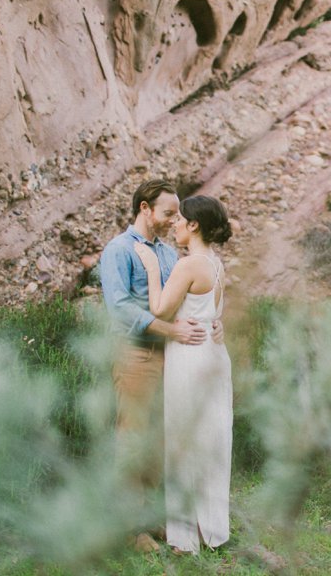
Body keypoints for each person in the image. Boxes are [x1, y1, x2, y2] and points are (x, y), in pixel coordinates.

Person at [99, 179, 223, 553]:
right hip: (136, 355)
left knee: (159, 439)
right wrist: (172, 330)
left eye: (177, 215)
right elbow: (120, 308)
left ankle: (151, 519)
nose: (173, 220)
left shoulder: (168, 255)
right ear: (144, 208)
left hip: (172, 357)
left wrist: (210, 321)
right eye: (168, 213)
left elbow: (179, 299)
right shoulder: (118, 250)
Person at [133, 195, 233, 554]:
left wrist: (149, 268)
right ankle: (211, 528)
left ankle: (185, 537)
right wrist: (216, 325)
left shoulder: (188, 265)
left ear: (194, 225)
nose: (174, 223)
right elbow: (212, 311)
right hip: (214, 353)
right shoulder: (216, 263)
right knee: (212, 439)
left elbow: (160, 308)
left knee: (183, 438)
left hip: (190, 355)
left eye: (180, 219)